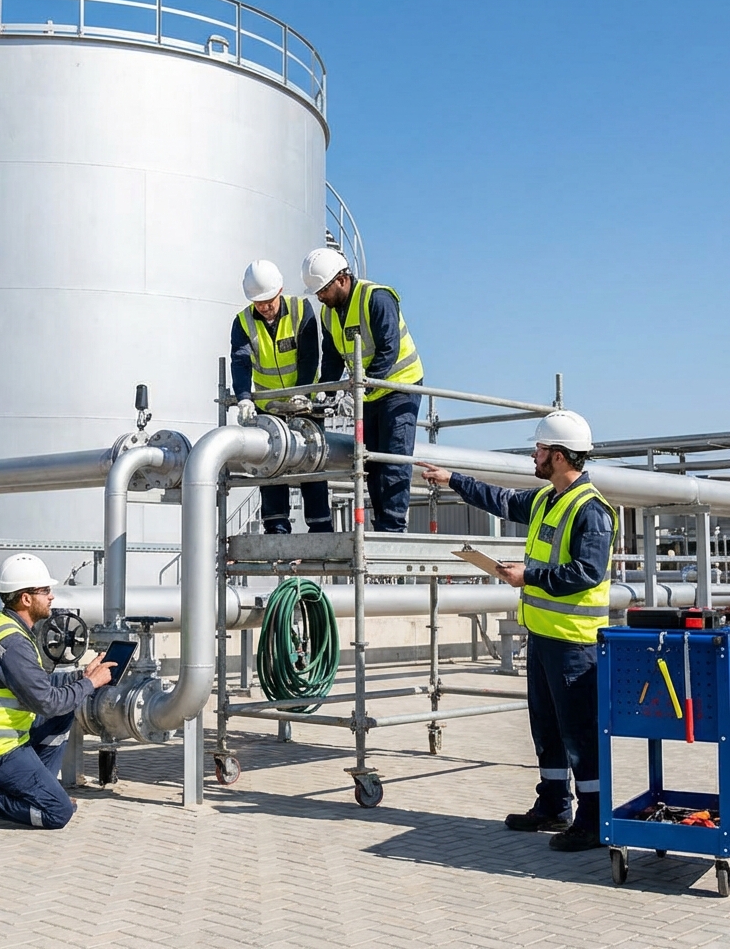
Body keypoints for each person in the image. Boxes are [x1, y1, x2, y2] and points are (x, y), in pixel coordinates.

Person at [420, 410, 617, 852]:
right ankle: (553, 805)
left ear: (561, 456)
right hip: (546, 637)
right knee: (546, 728)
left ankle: (594, 819)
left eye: (541, 450)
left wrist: (527, 577)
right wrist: (452, 478)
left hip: (575, 644)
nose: (534, 455)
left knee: (580, 735)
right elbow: (502, 500)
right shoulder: (549, 499)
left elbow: (586, 572)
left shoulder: (592, 511)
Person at [0, 553, 115, 830]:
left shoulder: (2, 626)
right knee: (58, 813)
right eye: (45, 591)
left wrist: (82, 675)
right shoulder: (13, 643)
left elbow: (37, 686)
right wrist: (90, 684)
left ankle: (37, 791)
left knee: (64, 714)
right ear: (26, 599)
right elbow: (47, 702)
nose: (52, 597)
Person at [303, 247, 423, 532]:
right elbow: (331, 357)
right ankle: (381, 522)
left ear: (341, 279)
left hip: (399, 386)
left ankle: (393, 526)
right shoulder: (329, 313)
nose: (320, 296)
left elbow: (388, 349)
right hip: (368, 392)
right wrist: (327, 393)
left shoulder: (377, 298)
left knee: (393, 458)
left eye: (323, 290)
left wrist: (358, 391)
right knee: (371, 462)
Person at [231, 258, 332, 534]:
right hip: (268, 407)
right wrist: (243, 397)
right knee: (271, 463)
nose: (264, 308)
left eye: (269, 301)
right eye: (258, 303)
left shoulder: (301, 310)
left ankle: (321, 528)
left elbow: (310, 356)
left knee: (313, 460)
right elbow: (240, 361)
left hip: (305, 405)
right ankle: (276, 526)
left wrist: (301, 392)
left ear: (280, 291)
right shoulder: (242, 322)